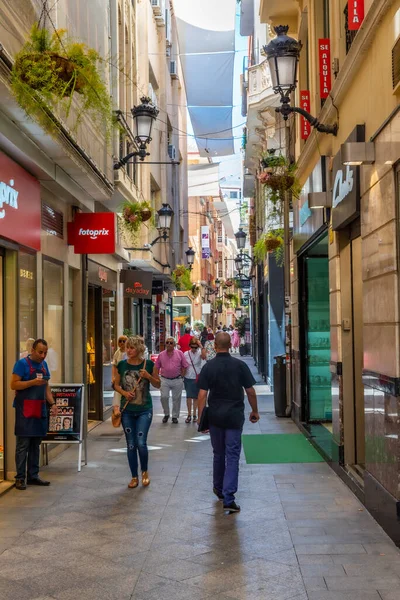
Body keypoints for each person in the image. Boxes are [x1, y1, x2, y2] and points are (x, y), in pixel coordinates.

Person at [197, 332, 259, 513]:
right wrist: (254, 411)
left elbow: (202, 395)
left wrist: (201, 418)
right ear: (231, 343)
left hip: (215, 417)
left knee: (218, 453)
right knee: (232, 455)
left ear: (215, 346)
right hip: (234, 417)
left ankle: (218, 488)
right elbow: (250, 391)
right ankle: (229, 496)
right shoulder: (239, 365)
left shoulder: (208, 367)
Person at [113, 336, 160, 489]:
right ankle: (134, 476)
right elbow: (115, 385)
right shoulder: (121, 365)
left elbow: (158, 384)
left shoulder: (149, 364)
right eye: (127, 347)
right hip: (127, 410)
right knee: (131, 445)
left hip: (144, 409)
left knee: (141, 443)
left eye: (131, 347)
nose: (128, 350)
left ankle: (144, 471)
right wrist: (124, 394)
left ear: (139, 349)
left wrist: (149, 376)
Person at [10, 338, 57, 490]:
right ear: (32, 350)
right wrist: (31, 383)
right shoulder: (22, 364)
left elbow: (46, 387)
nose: (43, 356)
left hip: (39, 408)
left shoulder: (44, 366)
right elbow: (13, 384)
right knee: (23, 445)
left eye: (45, 352)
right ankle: (20, 477)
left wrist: (53, 403)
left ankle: (33, 475)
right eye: (40, 352)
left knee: (36, 444)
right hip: (24, 410)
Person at [155, 337, 189, 423]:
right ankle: (166, 414)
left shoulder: (180, 353)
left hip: (177, 379)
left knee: (176, 398)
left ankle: (175, 416)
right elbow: (156, 367)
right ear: (165, 344)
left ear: (174, 344)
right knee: (164, 397)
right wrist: (156, 378)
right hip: (164, 379)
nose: (169, 344)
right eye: (167, 343)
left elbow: (185, 365)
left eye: (171, 343)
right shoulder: (161, 354)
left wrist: (182, 376)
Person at [183, 337, 206, 423]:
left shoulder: (199, 352)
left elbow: (204, 357)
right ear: (189, 346)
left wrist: (201, 345)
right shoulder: (185, 354)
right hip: (188, 376)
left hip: (197, 376)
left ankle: (194, 414)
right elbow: (183, 364)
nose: (193, 349)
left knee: (196, 397)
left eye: (195, 347)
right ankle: (189, 414)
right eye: (192, 347)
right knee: (189, 396)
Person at [112, 335, 127, 404]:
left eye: (124, 341)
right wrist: (113, 377)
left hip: (127, 376)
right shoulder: (117, 353)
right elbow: (114, 366)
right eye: (120, 341)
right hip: (119, 377)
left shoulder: (129, 352)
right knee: (118, 394)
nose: (122, 343)